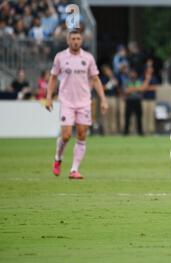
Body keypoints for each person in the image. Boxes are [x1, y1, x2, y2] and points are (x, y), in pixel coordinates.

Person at [45, 29, 108, 179]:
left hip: (84, 102)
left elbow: (95, 79)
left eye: (78, 39)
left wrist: (103, 99)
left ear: (82, 40)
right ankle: (58, 158)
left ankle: (74, 169)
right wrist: (48, 97)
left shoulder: (88, 58)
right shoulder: (60, 57)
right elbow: (53, 78)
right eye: (72, 39)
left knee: (81, 134)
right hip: (66, 101)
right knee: (66, 135)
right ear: (68, 40)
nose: (75, 41)